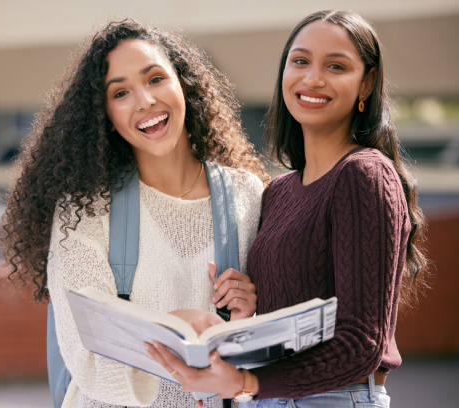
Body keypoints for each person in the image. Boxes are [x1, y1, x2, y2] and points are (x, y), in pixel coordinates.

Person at [147, 10, 428, 408]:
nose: (313, 78)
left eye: (336, 66)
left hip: (332, 399)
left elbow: (361, 344)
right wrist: (250, 306)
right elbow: (291, 321)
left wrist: (246, 382)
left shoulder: (364, 174)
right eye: (300, 61)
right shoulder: (279, 192)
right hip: (270, 399)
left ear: (366, 83)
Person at [0, 20, 268, 407]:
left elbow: (264, 360)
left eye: (155, 79)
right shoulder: (87, 209)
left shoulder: (247, 195)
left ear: (184, 84)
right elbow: (88, 356)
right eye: (121, 92)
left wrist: (245, 318)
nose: (145, 101)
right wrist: (175, 327)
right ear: (105, 116)